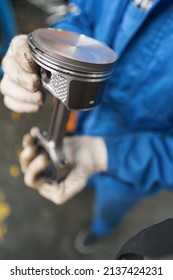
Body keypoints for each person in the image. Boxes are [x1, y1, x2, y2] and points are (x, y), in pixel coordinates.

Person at [1, 0, 173, 255]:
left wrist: (101, 154)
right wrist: (48, 50)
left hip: (131, 171)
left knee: (108, 207)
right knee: (83, 176)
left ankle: (100, 230)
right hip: (86, 124)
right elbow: (84, 20)